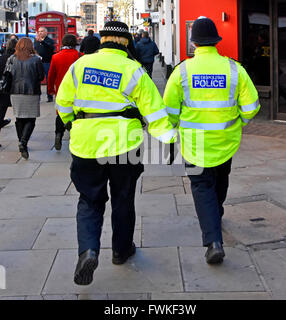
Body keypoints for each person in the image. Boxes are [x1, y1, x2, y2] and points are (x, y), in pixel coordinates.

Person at [56, 21, 176, 286]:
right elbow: (154, 111)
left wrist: (70, 123)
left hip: (86, 144)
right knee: (123, 198)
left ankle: (88, 250)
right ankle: (121, 251)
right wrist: (169, 138)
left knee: (89, 201)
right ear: (125, 42)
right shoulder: (133, 70)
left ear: (102, 39)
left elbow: (62, 102)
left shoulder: (80, 65)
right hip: (124, 146)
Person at [163, 17, 260, 264]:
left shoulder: (182, 71)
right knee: (220, 179)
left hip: (195, 143)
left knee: (201, 187)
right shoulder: (234, 69)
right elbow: (251, 107)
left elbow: (170, 110)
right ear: (216, 41)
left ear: (194, 42)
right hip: (226, 142)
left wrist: (173, 130)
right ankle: (217, 214)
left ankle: (213, 241)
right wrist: (239, 122)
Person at [8, 37, 45, 159]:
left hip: (15, 92)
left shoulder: (11, 59)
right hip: (32, 92)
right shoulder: (36, 60)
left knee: (19, 118)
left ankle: (21, 141)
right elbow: (41, 76)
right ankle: (23, 142)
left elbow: (7, 75)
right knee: (31, 119)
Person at [48, 34, 83, 150]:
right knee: (77, 113)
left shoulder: (55, 57)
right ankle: (76, 136)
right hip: (78, 90)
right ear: (74, 43)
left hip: (61, 89)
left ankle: (58, 134)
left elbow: (51, 75)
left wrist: (50, 90)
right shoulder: (80, 56)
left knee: (61, 113)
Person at [0, 38, 18, 134]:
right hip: (13, 89)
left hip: (2, 88)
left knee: (1, 111)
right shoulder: (16, 58)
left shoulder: (2, 57)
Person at [34, 27, 55, 102]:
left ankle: (49, 96)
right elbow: (35, 49)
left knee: (49, 80)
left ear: (46, 32)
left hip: (47, 62)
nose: (40, 33)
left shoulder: (50, 41)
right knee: (37, 80)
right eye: (39, 31)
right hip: (38, 62)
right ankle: (38, 96)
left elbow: (50, 48)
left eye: (42, 31)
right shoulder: (36, 41)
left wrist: (42, 42)